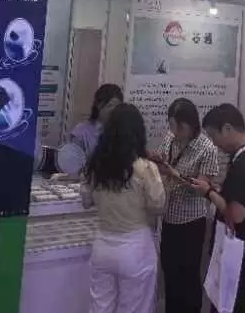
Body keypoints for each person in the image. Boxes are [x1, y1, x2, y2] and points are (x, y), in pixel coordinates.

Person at [80, 103, 165, 313]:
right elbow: (157, 205)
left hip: (103, 244)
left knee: (99, 307)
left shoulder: (96, 165)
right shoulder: (145, 168)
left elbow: (86, 201)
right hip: (136, 247)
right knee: (135, 308)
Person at [190, 104, 245, 313]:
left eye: (213, 136)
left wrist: (209, 192)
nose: (214, 144)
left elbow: (236, 215)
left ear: (227, 128)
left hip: (240, 253)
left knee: (230, 304)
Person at [151, 98, 219, 313]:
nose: (174, 131)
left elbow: (203, 187)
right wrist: (158, 161)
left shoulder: (207, 148)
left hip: (192, 220)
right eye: (172, 125)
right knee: (169, 269)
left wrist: (175, 175)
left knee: (188, 273)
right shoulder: (170, 138)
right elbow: (163, 167)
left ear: (191, 124)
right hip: (169, 215)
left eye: (179, 127)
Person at [70, 84, 123, 162]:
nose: (113, 110)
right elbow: (73, 163)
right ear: (99, 105)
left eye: (117, 106)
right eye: (110, 105)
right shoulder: (81, 132)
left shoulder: (121, 131)